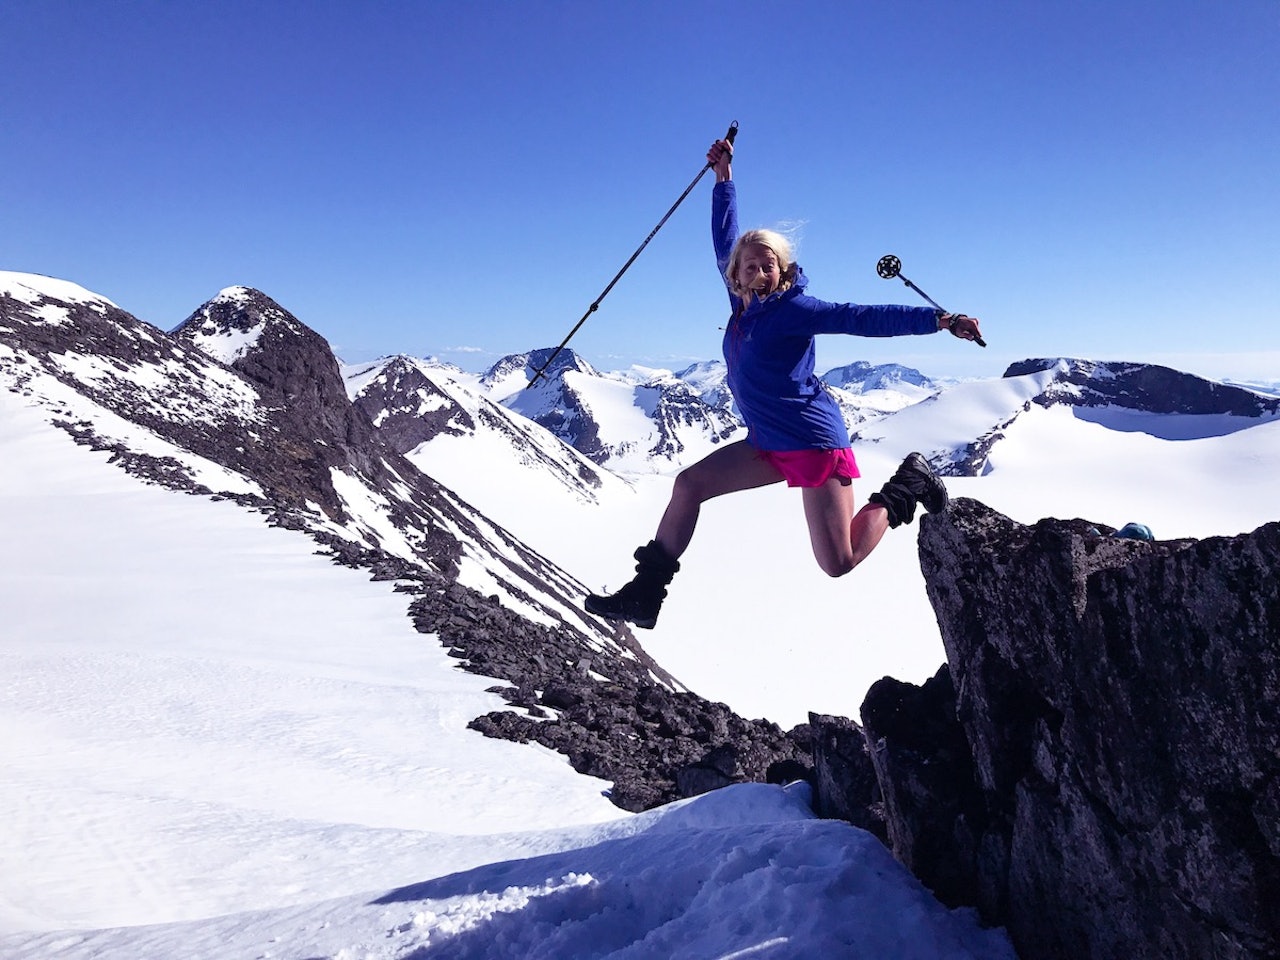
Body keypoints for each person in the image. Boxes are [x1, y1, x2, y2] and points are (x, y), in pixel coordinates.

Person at [585, 136, 984, 629]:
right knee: (688, 485)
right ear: (736, 274)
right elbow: (724, 234)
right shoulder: (740, 305)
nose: (758, 270)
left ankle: (906, 486)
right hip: (768, 442)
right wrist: (723, 176)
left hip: (812, 442)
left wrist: (940, 321)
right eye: (749, 265)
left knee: (838, 561)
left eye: (767, 264)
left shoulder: (794, 310)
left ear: (782, 269)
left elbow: (861, 317)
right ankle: (645, 596)